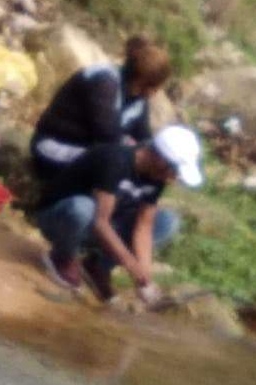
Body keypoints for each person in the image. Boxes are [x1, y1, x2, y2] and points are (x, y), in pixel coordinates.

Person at [29, 125, 203, 305]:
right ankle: (61, 257)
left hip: (97, 226)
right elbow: (100, 222)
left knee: (167, 222)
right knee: (83, 208)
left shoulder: (157, 177)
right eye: (174, 171)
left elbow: (144, 226)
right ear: (160, 159)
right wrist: (130, 264)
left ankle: (97, 267)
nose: (173, 178)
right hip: (60, 218)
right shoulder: (115, 160)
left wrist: (144, 273)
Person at [29, 35, 172, 181]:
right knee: (114, 162)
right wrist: (133, 151)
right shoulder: (104, 82)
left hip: (91, 151)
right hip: (55, 147)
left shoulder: (138, 99)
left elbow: (143, 137)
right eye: (151, 87)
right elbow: (107, 135)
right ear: (139, 79)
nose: (153, 93)